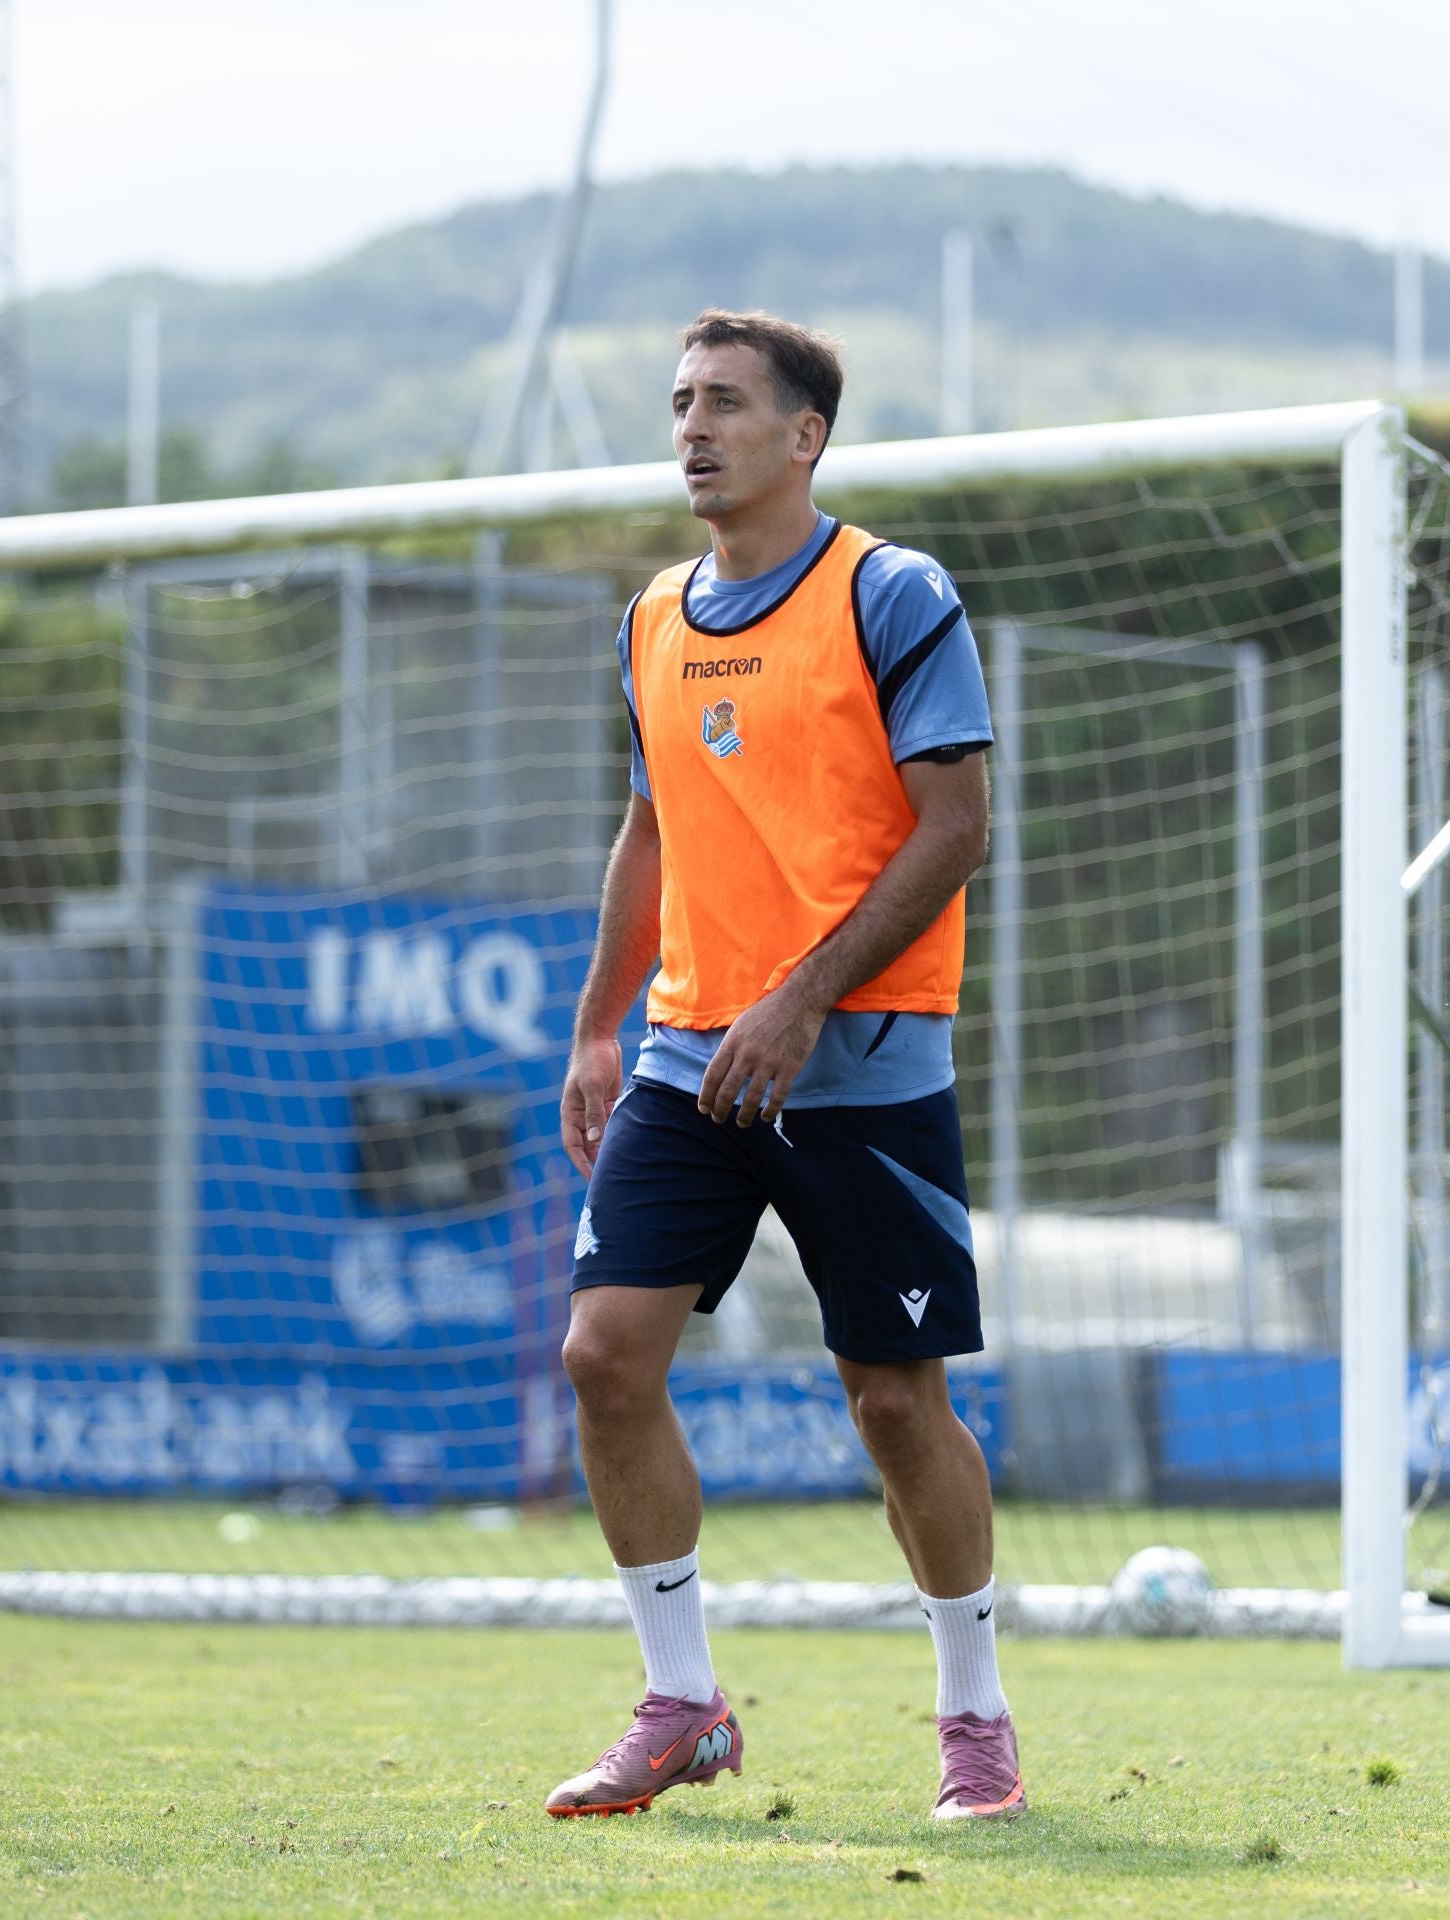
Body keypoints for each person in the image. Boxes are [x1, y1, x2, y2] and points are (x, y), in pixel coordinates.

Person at [544, 309, 1023, 1823]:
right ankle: (682, 1702)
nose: (693, 427)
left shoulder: (895, 594)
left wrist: (805, 998)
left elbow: (957, 826)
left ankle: (974, 1716)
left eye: (727, 404)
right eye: (681, 400)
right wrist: (599, 1023)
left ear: (803, 434)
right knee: (603, 1358)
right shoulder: (651, 619)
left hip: (864, 1068)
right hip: (688, 1059)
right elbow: (652, 830)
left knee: (893, 1403)